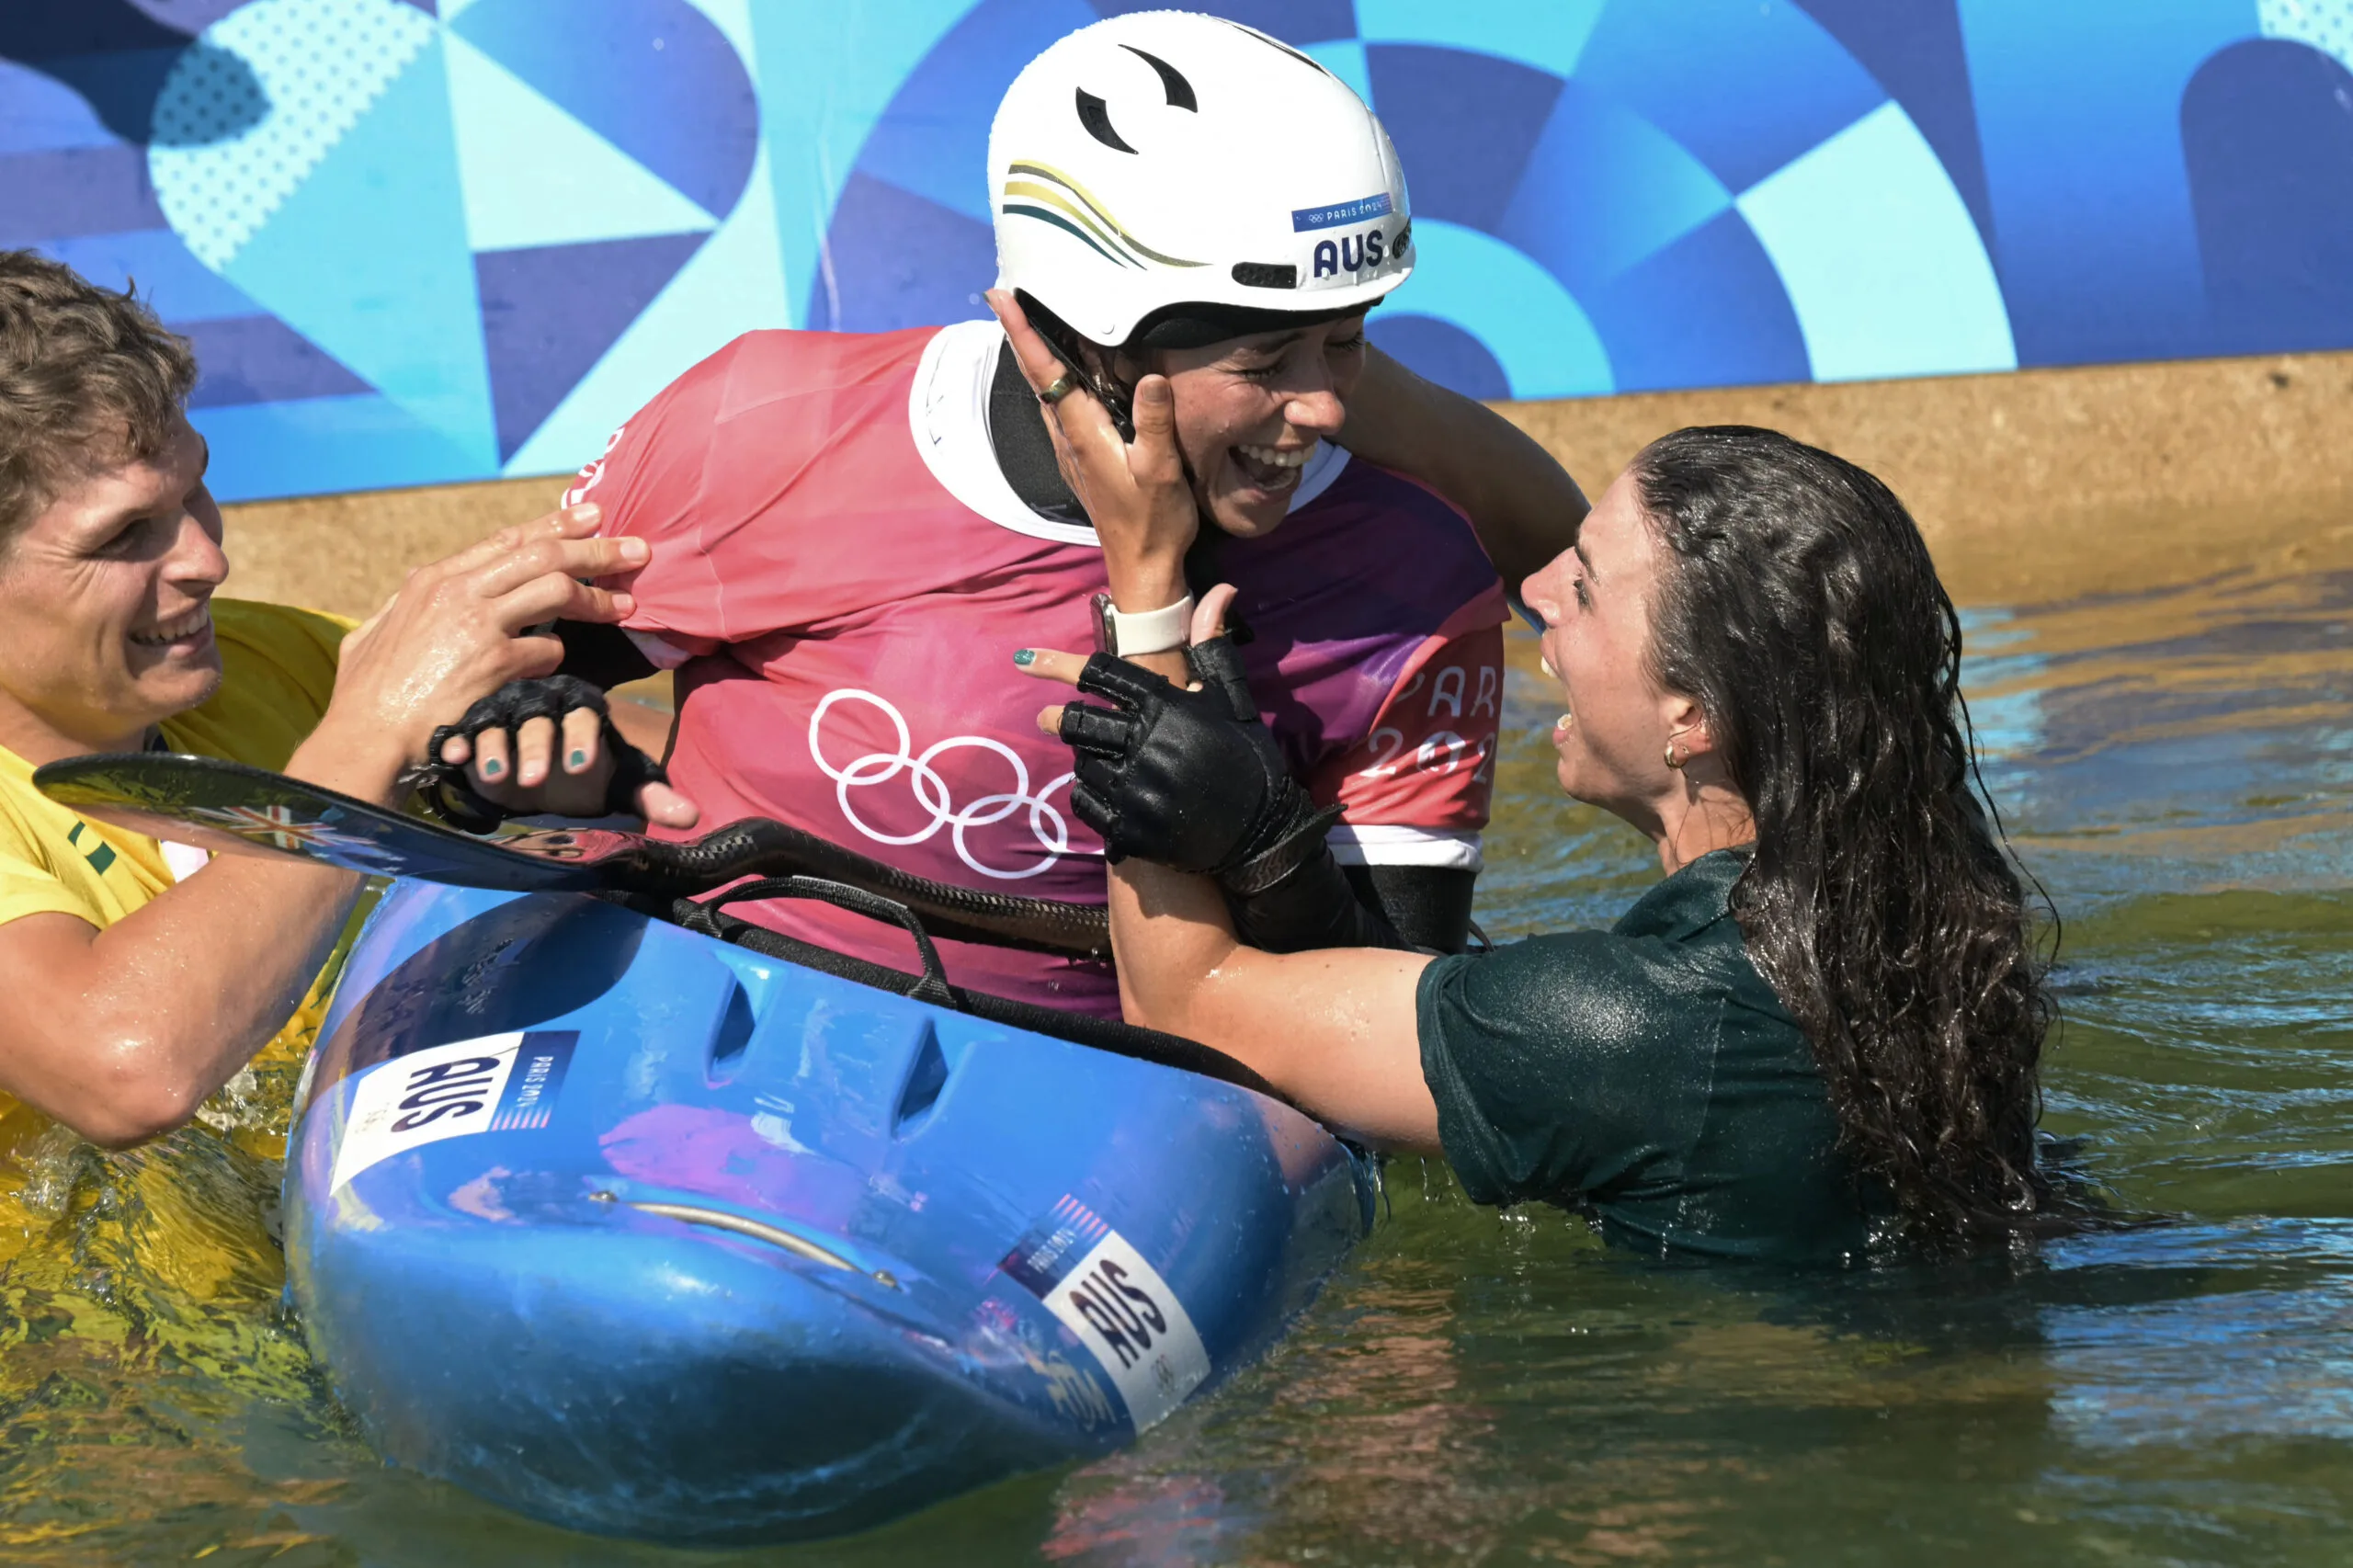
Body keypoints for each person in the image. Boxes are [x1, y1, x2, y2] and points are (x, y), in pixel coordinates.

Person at [449, 11, 1586, 1018]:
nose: (1329, 404)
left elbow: (1402, 1027)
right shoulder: (761, 423)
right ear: (1088, 328)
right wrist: (525, 736)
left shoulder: (1412, 574)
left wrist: (1260, 841)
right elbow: (469, 707)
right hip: (716, 999)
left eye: (1349, 336)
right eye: (1264, 357)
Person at [1014, 392, 2054, 1258]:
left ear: (1692, 717)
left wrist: (1146, 602)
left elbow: (1186, 1008)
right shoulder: (1928, 884)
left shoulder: (1626, 1021)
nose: (1537, 588)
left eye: (1585, 586)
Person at [0, 249, 667, 1155]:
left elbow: (687, 772)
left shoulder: (268, 657)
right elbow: (127, 1069)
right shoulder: (339, 710)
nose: (206, 558)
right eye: (124, 534)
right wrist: (363, 740)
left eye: (195, 485)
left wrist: (577, 781)